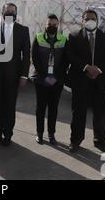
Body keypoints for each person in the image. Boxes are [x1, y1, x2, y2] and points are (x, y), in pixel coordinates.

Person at [67, 9, 105, 153]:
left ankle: (99, 141)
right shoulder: (74, 36)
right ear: (82, 20)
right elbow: (71, 55)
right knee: (78, 112)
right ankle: (75, 140)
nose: (90, 21)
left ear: (97, 20)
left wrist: (98, 69)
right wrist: (86, 67)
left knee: (100, 113)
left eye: (93, 18)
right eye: (87, 18)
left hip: (101, 81)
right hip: (81, 80)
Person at [0, 3, 31, 146]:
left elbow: (26, 54)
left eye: (12, 12)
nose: (10, 14)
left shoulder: (23, 30)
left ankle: (7, 134)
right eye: (7, 12)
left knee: (10, 106)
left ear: (16, 13)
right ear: (2, 12)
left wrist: (24, 75)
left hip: (14, 76)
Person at [32, 14, 68, 145]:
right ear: (45, 26)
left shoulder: (63, 40)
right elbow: (35, 59)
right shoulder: (38, 38)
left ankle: (51, 134)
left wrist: (56, 77)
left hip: (57, 81)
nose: (52, 27)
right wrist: (45, 76)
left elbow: (65, 61)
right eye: (49, 25)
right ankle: (39, 133)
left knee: (53, 109)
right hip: (41, 80)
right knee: (40, 108)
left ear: (58, 25)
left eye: (54, 25)